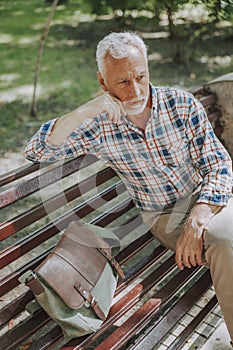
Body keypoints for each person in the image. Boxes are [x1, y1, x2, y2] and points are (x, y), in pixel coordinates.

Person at [25, 31, 233, 344]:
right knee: (225, 239)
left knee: (223, 235)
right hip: (164, 215)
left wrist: (199, 215)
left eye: (141, 76)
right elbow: (38, 151)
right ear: (102, 82)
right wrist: (83, 111)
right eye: (122, 82)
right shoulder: (98, 125)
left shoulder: (181, 104)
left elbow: (218, 165)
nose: (136, 91)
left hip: (207, 199)